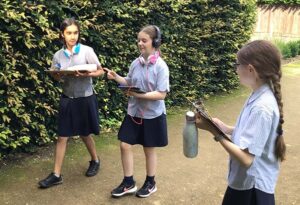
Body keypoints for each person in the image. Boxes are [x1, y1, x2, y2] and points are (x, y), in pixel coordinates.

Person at [196, 40, 286, 205]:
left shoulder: (262, 107)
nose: (236, 70)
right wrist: (225, 128)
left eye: (237, 65)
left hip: (252, 189)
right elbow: (255, 133)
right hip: (246, 183)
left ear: (250, 69)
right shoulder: (258, 94)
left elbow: (246, 159)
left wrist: (215, 132)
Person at [38, 18, 105, 188]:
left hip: (85, 98)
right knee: (62, 136)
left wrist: (86, 74)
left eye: (75, 32)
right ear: (62, 34)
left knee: (85, 134)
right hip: (67, 98)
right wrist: (57, 74)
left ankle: (95, 160)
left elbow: (100, 71)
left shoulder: (87, 51)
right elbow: (55, 74)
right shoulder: (58, 55)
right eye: (69, 33)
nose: (72, 36)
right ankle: (56, 174)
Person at [104, 25, 170, 198]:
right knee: (125, 145)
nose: (140, 43)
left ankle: (150, 183)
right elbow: (129, 81)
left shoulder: (161, 67)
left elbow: (162, 94)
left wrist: (139, 95)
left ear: (155, 42)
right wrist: (116, 77)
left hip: (152, 115)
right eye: (138, 40)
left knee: (149, 149)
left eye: (144, 40)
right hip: (134, 113)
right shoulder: (135, 63)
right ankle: (128, 183)